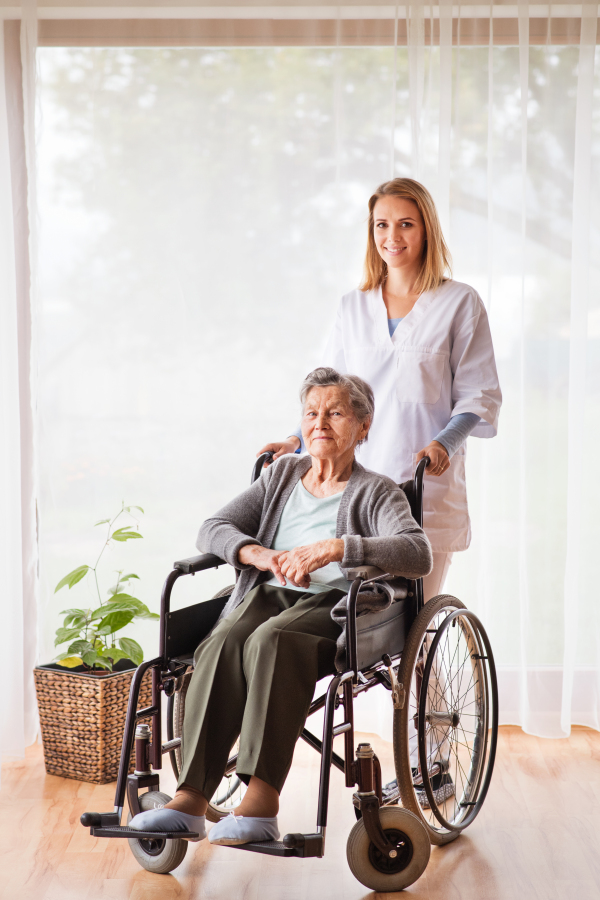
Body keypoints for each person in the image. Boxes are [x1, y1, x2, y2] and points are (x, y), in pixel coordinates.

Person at [130, 367, 432, 845]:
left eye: (335, 412)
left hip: (335, 601)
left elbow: (417, 553)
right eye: (311, 413)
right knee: (223, 641)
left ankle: (261, 802)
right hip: (266, 590)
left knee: (272, 642)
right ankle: (190, 799)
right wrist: (261, 554)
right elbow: (214, 527)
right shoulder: (283, 475)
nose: (320, 423)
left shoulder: (377, 491)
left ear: (363, 425)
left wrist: (337, 548)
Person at [259, 178, 501, 604]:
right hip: (354, 486)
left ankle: (422, 671)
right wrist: (296, 439)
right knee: (356, 628)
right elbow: (326, 394)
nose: (392, 237)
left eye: (405, 224)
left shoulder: (459, 302)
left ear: (426, 229)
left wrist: (445, 442)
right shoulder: (353, 306)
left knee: (411, 621)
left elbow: (478, 393)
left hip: (423, 484)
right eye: (381, 225)